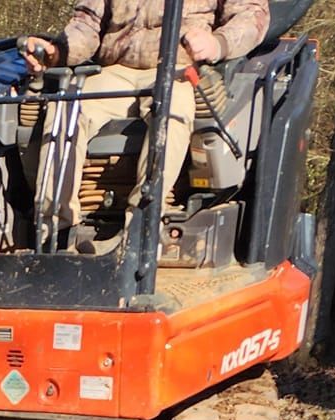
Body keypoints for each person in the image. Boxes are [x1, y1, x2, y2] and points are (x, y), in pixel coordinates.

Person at [20, 0, 268, 246]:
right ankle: (56, 229)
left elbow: (252, 15)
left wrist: (217, 43)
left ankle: (141, 228)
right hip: (117, 68)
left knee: (171, 110)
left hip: (178, 68)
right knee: (67, 104)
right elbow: (87, 24)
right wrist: (58, 51)